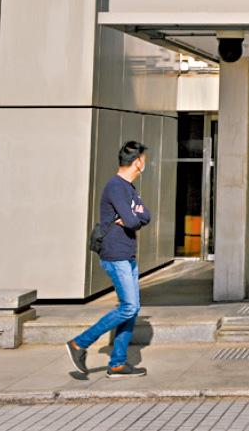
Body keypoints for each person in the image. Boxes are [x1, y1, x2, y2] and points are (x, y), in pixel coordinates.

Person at [67, 141, 152, 378]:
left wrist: (132, 218)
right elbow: (134, 220)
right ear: (137, 162)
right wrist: (132, 218)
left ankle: (117, 364)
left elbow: (146, 216)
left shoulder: (129, 188)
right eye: (144, 159)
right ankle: (79, 343)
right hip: (116, 255)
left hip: (127, 254)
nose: (145, 163)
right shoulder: (115, 187)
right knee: (129, 307)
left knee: (132, 309)